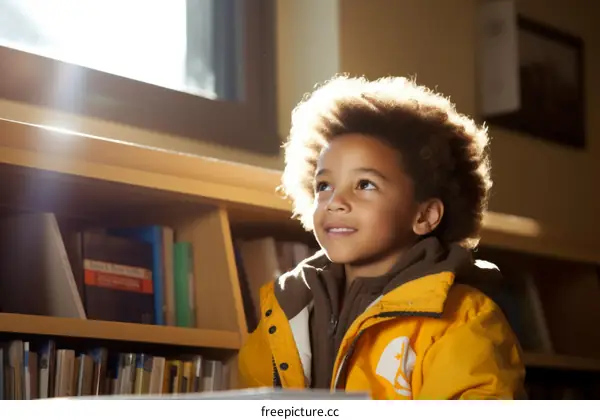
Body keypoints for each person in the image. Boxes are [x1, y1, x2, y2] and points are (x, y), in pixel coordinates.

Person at [236, 74, 526, 399]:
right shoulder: (286, 310)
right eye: (324, 186)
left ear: (424, 215)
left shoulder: (466, 320)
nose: (336, 202)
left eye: (365, 185)